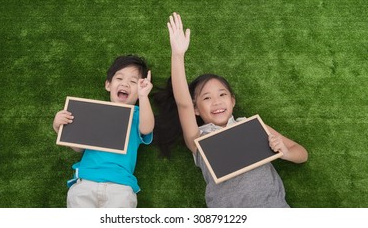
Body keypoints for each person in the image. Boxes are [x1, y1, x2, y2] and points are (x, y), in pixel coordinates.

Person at [154, 12, 308, 207]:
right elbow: (183, 103)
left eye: (222, 94)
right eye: (207, 98)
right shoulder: (199, 139)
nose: (217, 102)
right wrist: (177, 54)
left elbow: (301, 153)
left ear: (233, 101)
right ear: (196, 110)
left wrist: (285, 152)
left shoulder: (251, 125)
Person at [53, 55, 154, 208]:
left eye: (133, 82)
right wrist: (59, 128)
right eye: (119, 78)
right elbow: (78, 147)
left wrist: (143, 96)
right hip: (85, 182)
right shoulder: (93, 113)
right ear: (108, 85)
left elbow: (147, 128)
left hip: (120, 186)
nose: (125, 84)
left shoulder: (137, 114)